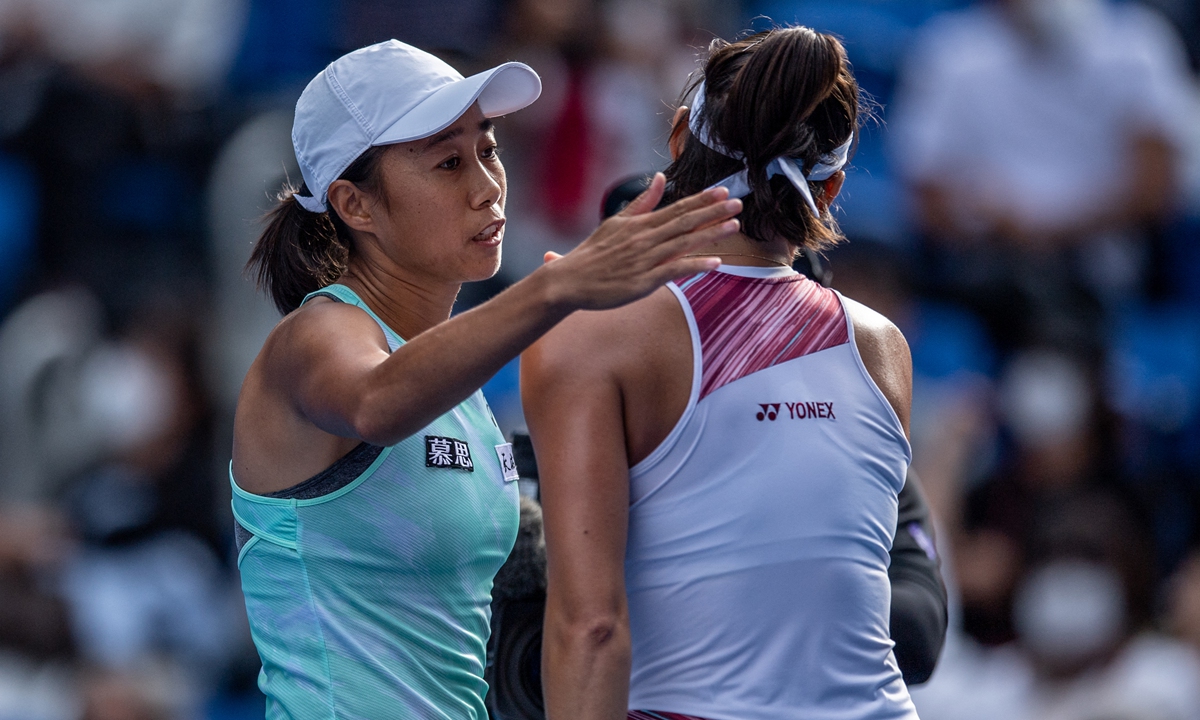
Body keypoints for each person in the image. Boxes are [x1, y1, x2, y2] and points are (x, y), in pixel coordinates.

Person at [229, 40, 743, 719]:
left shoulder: (457, 383)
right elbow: (377, 402)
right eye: (448, 163)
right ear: (356, 206)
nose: (487, 186)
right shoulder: (313, 338)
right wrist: (558, 287)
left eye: (489, 150)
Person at [523, 27, 919, 720]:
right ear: (830, 188)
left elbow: (591, 630)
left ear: (679, 138)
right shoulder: (884, 348)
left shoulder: (590, 338)